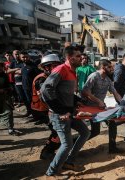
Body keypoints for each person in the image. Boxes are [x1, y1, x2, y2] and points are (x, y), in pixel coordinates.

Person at [41, 46, 90, 178]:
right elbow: (45, 90)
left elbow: (64, 91)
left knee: (85, 132)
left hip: (69, 112)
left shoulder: (73, 71)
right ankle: (51, 171)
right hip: (60, 115)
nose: (82, 58)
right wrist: (61, 111)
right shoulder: (61, 69)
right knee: (67, 144)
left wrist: (77, 100)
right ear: (70, 58)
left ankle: (69, 161)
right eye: (79, 56)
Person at [82, 59, 125, 154]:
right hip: (90, 108)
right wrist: (97, 101)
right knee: (95, 132)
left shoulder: (107, 80)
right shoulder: (94, 76)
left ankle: (112, 148)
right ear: (103, 67)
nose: (112, 69)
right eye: (109, 67)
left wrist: (123, 103)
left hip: (101, 108)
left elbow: (115, 92)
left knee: (111, 123)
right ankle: (73, 143)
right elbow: (85, 91)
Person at [32, 54, 62, 159]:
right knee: (57, 131)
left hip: (48, 108)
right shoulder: (41, 80)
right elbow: (46, 97)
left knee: (58, 130)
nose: (57, 68)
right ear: (46, 67)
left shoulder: (50, 77)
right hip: (42, 109)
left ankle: (51, 149)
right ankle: (47, 152)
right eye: (54, 66)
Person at [0, 60, 20, 135]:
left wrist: (9, 88)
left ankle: (10, 128)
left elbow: (7, 85)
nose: (0, 68)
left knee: (9, 112)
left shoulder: (4, 75)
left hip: (4, 97)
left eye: (1, 66)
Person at [20, 51, 41, 120]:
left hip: (33, 88)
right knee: (29, 102)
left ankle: (39, 118)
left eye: (26, 57)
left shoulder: (33, 66)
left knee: (35, 103)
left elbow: (39, 77)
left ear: (29, 57)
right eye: (23, 57)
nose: (25, 58)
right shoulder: (23, 66)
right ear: (20, 58)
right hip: (25, 88)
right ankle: (34, 116)